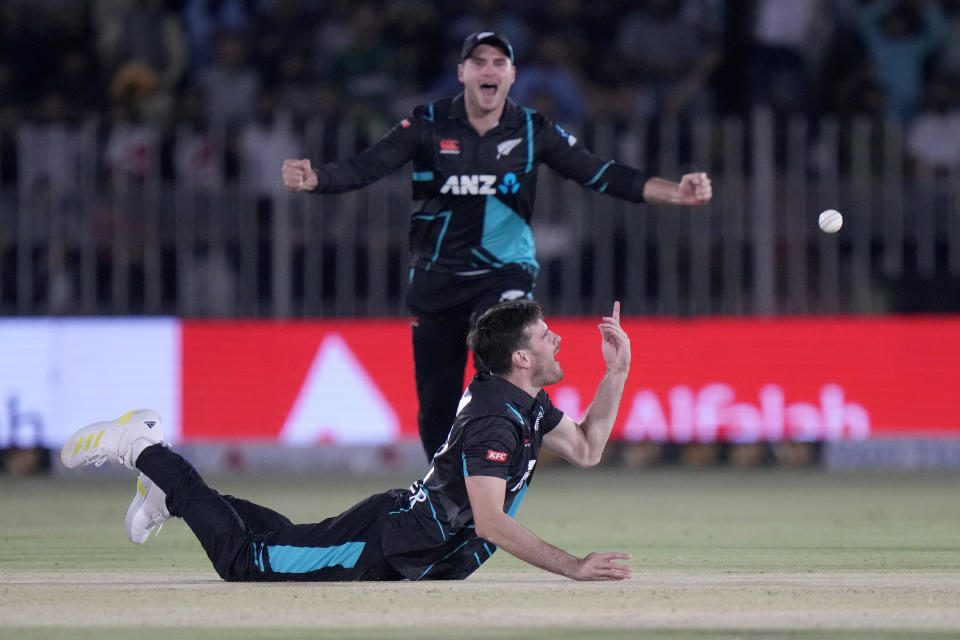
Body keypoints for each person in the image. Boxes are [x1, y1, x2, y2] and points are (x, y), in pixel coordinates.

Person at [282, 31, 712, 459]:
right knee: (437, 407)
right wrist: (315, 178)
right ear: (462, 73)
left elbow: (598, 173)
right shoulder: (427, 124)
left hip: (505, 273)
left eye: (498, 63)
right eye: (479, 62)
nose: (489, 70)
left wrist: (676, 192)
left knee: (506, 367)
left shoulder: (532, 129)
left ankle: (522, 462)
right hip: (436, 279)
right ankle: (446, 504)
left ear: (512, 76)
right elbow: (366, 167)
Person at [60, 299, 632, 582]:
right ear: (521, 358)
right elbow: (489, 522)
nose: (558, 338)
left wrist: (617, 372)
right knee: (247, 562)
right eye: (544, 335)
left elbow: (586, 447)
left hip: (404, 542)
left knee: (281, 539)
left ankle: (168, 495)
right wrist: (574, 567)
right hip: (388, 545)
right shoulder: (494, 420)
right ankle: (143, 448)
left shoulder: (522, 402)